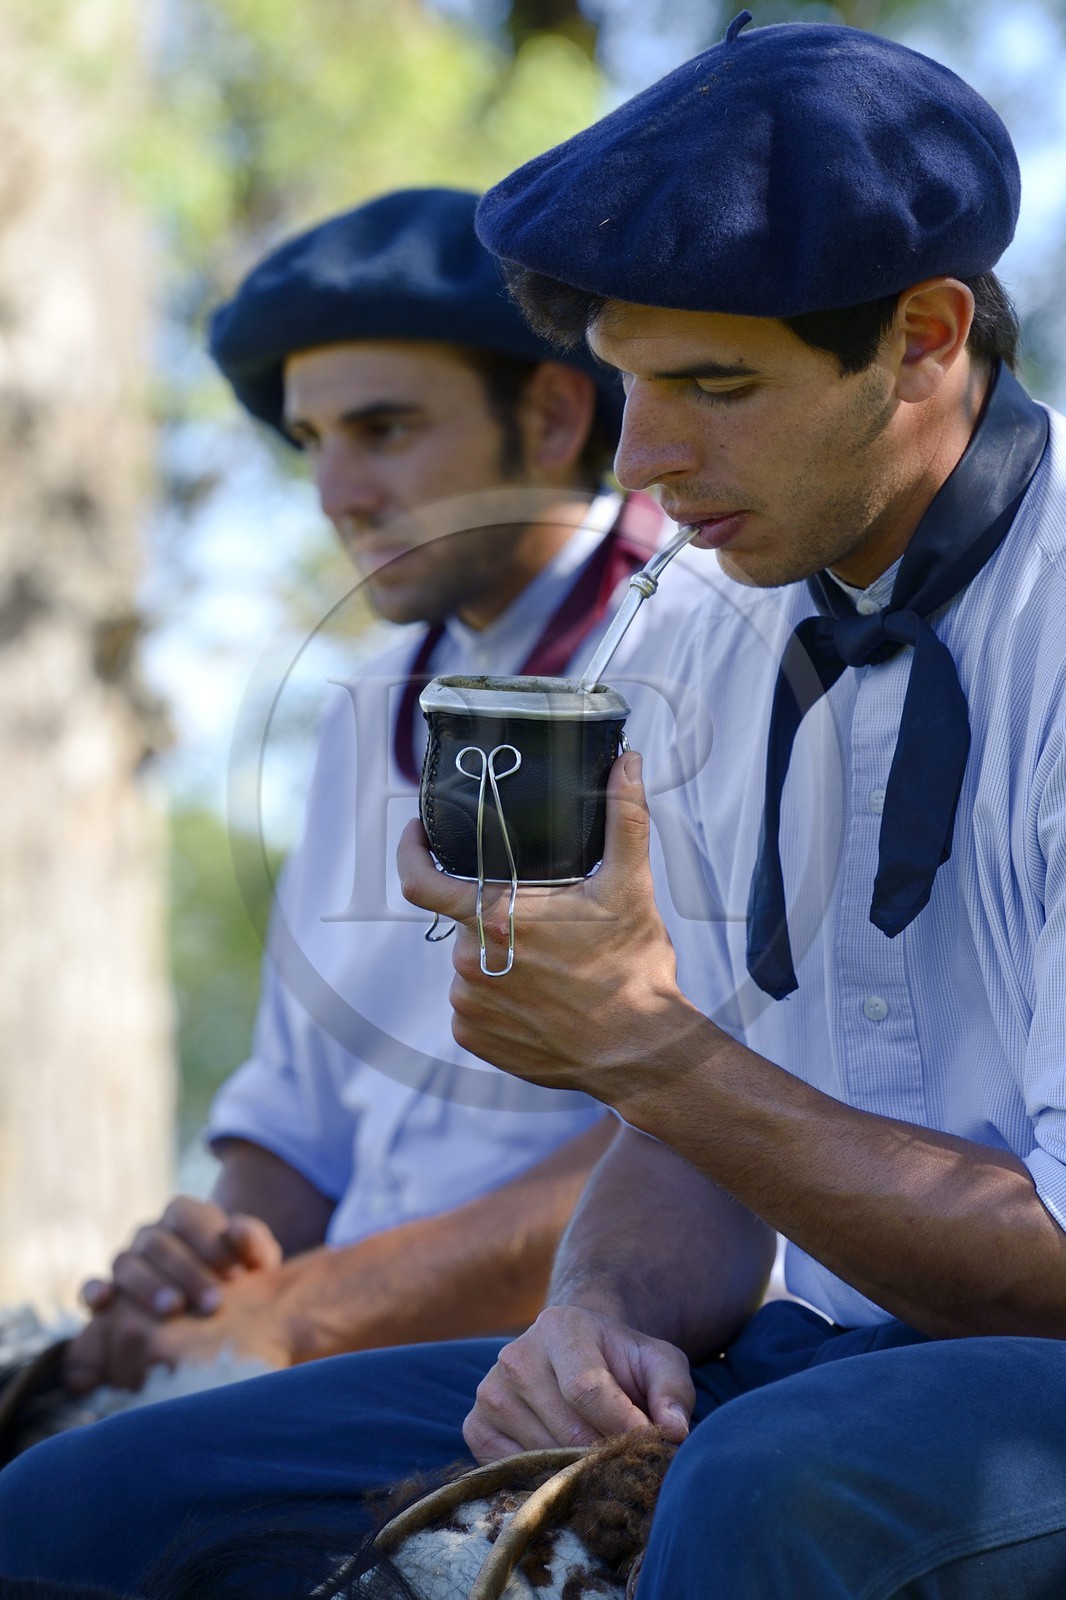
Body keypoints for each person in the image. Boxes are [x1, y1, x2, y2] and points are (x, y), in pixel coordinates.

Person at [5, 19, 1066, 1599]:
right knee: (83, 1512)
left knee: (760, 1495)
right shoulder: (709, 624)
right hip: (812, 1354)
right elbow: (687, 1139)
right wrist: (594, 1315)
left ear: (924, 332)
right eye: (629, 383)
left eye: (715, 384)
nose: (647, 454)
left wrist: (646, 1046)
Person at [56, 188, 703, 1399]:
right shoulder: (362, 704)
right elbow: (296, 1115)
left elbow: (719, 1134)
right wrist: (214, 1267)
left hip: (570, 1362)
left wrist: (298, 1315)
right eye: (313, 443)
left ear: (557, 413)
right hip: (338, 1346)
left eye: (386, 429)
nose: (335, 491)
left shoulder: (707, 656)